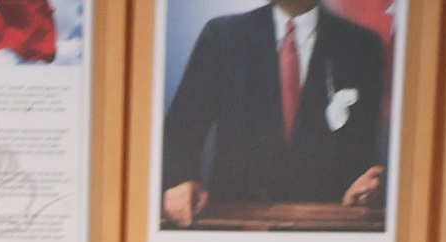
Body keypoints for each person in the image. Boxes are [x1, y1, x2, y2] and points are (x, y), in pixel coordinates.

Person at [160, 0, 392, 227]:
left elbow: (364, 145)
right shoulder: (222, 36)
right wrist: (180, 181)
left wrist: (362, 187)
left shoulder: (361, 44)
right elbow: (181, 129)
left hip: (325, 225)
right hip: (232, 222)